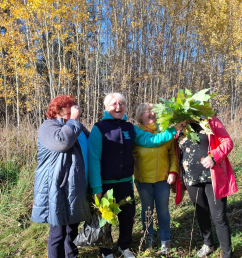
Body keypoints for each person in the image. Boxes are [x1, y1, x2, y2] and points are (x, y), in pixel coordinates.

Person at [87, 93, 185, 258]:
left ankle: (124, 247)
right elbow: (93, 158)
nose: (118, 107)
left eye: (121, 103)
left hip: (125, 182)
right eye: (114, 104)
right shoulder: (99, 128)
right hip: (105, 183)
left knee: (127, 216)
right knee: (105, 218)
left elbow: (152, 140)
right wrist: (96, 187)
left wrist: (174, 130)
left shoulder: (130, 128)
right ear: (106, 107)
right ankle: (106, 251)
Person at [31, 95, 91, 258]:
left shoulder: (75, 126)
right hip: (56, 188)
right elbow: (62, 142)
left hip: (76, 187)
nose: (75, 108)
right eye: (71, 106)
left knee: (72, 230)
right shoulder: (48, 127)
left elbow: (91, 143)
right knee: (57, 233)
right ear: (59, 109)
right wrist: (73, 120)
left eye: (75, 106)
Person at [176, 116, 238, 258]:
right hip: (191, 177)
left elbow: (227, 142)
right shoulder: (179, 125)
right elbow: (174, 151)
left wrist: (214, 157)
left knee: (219, 216)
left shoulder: (210, 121)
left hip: (212, 177)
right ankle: (208, 244)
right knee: (201, 212)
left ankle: (227, 253)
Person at [133, 103, 178, 255]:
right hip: (143, 180)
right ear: (140, 116)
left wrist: (173, 172)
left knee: (163, 211)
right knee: (147, 211)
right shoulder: (135, 132)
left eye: (153, 111)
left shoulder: (165, 130)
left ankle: (166, 240)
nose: (151, 114)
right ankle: (148, 239)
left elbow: (172, 154)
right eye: (147, 111)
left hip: (162, 179)